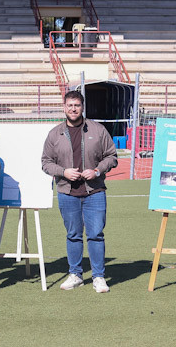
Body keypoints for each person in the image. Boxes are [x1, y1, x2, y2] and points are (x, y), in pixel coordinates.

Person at [41, 90, 118, 292]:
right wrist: (63, 172)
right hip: (67, 193)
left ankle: (99, 276)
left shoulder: (98, 130)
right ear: (64, 107)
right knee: (73, 234)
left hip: (95, 192)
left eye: (77, 105)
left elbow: (112, 156)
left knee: (96, 234)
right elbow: (46, 162)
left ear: (82, 107)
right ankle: (75, 274)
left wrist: (97, 170)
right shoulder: (54, 134)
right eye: (70, 105)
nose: (73, 109)